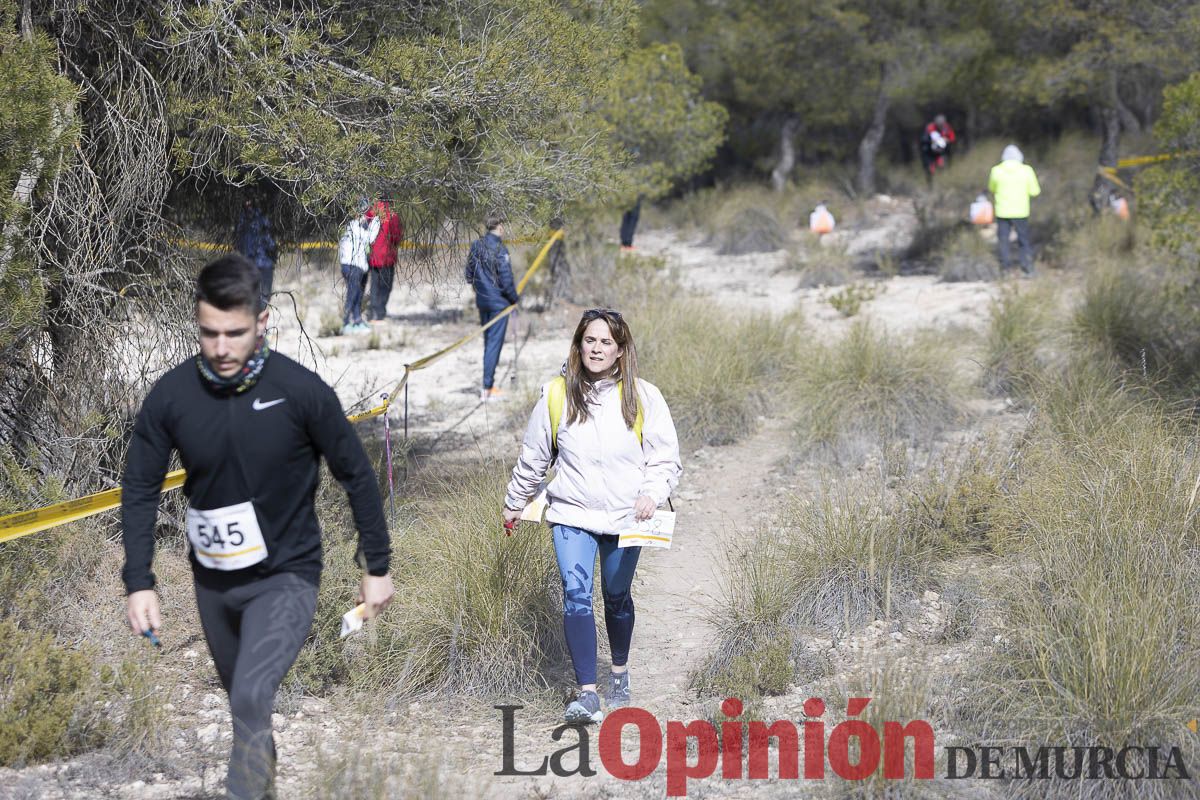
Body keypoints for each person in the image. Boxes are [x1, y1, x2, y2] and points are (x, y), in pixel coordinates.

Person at [121, 254, 394, 800]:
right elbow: (140, 487)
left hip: (286, 576)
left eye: (235, 333)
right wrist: (140, 580)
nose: (221, 349)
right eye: (209, 334)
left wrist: (377, 566)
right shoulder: (171, 397)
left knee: (249, 697)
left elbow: (357, 476)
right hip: (214, 582)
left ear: (262, 321)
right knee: (248, 708)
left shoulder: (300, 391)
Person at [502, 308, 682, 724]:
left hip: (626, 517)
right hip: (571, 514)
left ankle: (618, 671)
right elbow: (533, 458)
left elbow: (665, 458)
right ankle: (587, 693)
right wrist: (515, 503)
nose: (597, 349)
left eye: (606, 342)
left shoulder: (643, 396)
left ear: (620, 350)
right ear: (579, 344)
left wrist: (651, 495)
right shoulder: (556, 394)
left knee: (616, 598)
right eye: (590, 340)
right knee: (576, 595)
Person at [465, 215, 519, 402]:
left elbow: (468, 274)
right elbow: (506, 280)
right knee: (493, 345)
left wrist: (479, 290)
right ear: (500, 227)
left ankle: (487, 385)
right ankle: (487, 389)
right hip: (499, 305)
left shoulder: (476, 245)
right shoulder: (500, 249)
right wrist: (514, 299)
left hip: (483, 302)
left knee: (489, 344)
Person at [987, 144, 1041, 276]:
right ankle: (1027, 267)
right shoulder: (1026, 170)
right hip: (1020, 211)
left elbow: (991, 188)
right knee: (1023, 240)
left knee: (1003, 240)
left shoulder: (996, 170)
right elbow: (1035, 191)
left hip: (1002, 211)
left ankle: (1005, 269)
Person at [338, 199, 380, 334]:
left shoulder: (358, 226)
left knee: (358, 294)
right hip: (351, 265)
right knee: (353, 294)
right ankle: (344, 323)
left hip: (359, 265)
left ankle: (357, 320)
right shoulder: (354, 226)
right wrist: (376, 222)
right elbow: (370, 239)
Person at [365, 199, 403, 322]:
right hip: (387, 256)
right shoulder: (392, 214)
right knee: (386, 285)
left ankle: (373, 312)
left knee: (375, 285)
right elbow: (396, 235)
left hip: (374, 256)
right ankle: (379, 312)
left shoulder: (371, 212)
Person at [234, 200, 277, 306]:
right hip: (255, 264)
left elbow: (270, 240)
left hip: (262, 263)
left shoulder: (259, 218)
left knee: (261, 297)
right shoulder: (243, 220)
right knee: (257, 297)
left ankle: (257, 316)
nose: (248, 205)